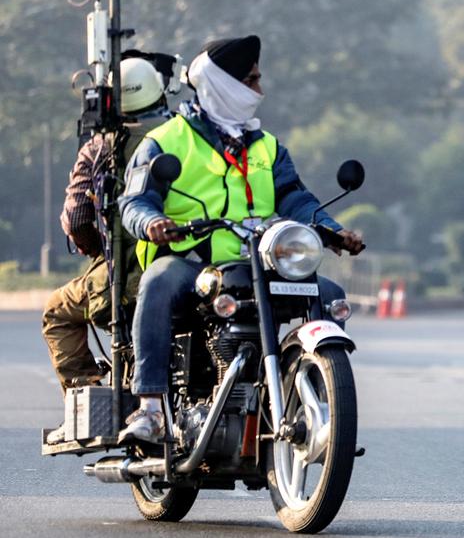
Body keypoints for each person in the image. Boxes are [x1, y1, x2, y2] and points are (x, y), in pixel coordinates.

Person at [116, 36, 365, 444]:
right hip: (191, 259)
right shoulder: (165, 141)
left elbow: (296, 199)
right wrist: (154, 222)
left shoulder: (267, 147)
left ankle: (319, 390)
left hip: (258, 262)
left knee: (330, 292)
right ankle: (151, 408)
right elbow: (135, 202)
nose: (259, 91)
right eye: (251, 81)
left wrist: (333, 231)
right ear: (225, 85)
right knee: (156, 282)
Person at [42, 57, 173, 443]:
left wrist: (98, 251)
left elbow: (78, 218)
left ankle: (90, 404)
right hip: (193, 269)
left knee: (57, 311)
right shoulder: (185, 136)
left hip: (126, 277)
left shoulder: (102, 146)